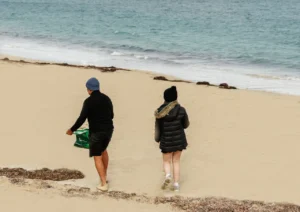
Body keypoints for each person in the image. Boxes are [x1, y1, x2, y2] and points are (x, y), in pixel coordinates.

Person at [66, 77, 114, 192]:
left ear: (89, 89)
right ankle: (104, 177)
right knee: (104, 150)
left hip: (96, 132)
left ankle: (103, 184)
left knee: (97, 156)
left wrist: (72, 129)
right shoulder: (107, 98)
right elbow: (112, 115)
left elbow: (82, 118)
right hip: (109, 130)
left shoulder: (88, 101)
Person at [154, 86, 189, 192]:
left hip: (166, 140)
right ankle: (176, 185)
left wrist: (157, 139)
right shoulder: (182, 110)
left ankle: (168, 175)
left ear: (165, 98)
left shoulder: (160, 112)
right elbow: (186, 124)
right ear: (175, 97)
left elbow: (158, 128)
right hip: (179, 140)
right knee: (176, 161)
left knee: (166, 161)